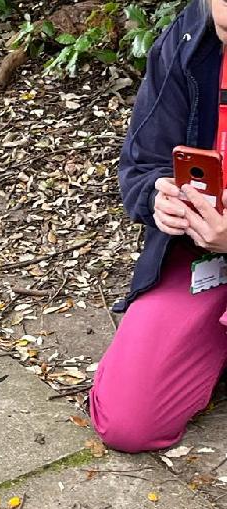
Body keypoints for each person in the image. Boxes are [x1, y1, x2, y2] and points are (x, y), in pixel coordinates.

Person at [89, 0, 227, 452]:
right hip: (205, 254)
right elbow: (141, 163)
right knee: (129, 421)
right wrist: (159, 197)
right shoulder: (190, 40)